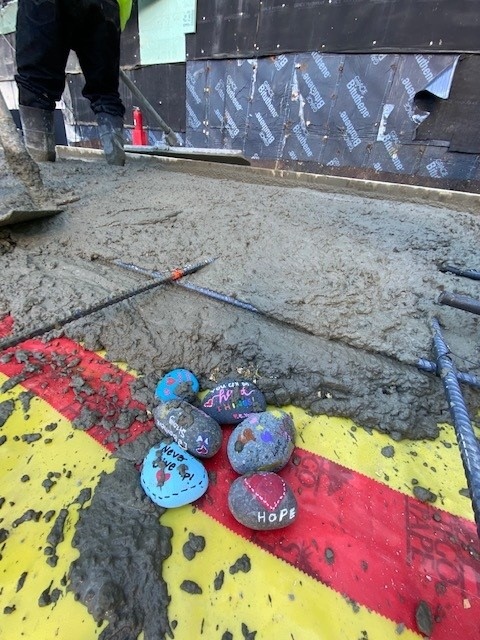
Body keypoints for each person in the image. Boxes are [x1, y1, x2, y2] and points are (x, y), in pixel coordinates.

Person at [14, 0, 132, 166]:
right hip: (106, 6)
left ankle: (40, 164)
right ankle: (117, 160)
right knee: (106, 91)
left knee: (36, 86)